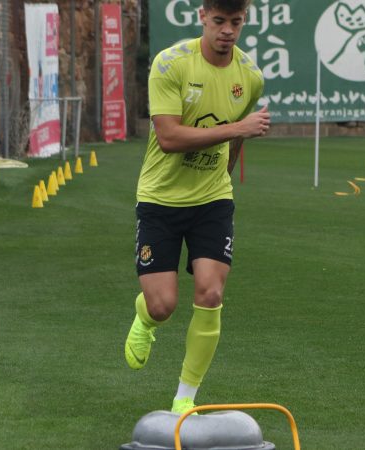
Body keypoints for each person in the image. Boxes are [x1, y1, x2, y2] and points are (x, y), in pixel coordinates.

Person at [123, 0, 270, 415]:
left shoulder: (250, 77)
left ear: (244, 21)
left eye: (236, 22)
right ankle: (145, 318)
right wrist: (238, 128)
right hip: (160, 198)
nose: (227, 31)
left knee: (211, 291)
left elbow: (235, 140)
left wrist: (226, 165)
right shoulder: (171, 65)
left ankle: (184, 398)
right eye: (220, 21)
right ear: (202, 16)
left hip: (212, 199)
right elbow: (168, 137)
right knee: (162, 304)